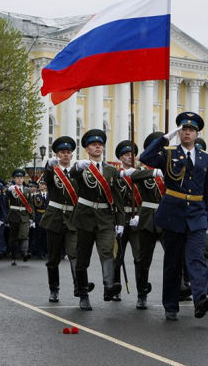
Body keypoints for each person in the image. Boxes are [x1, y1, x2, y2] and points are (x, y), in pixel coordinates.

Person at [139, 111, 208, 321]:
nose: (187, 133)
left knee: (196, 258)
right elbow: (145, 158)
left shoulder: (206, 159)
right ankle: (171, 306)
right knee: (172, 262)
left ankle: (200, 299)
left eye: (191, 130)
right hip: (173, 213)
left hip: (197, 215)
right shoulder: (168, 153)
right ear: (179, 132)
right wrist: (164, 138)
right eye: (184, 129)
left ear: (197, 134)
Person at [71, 129, 124, 311]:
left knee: (107, 251)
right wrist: (77, 167)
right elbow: (72, 174)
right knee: (83, 257)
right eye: (94, 145)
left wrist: (121, 222)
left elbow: (118, 198)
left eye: (100, 145)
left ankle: (108, 286)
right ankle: (83, 294)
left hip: (106, 219)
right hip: (85, 217)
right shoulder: (82, 168)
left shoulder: (111, 170)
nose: (97, 147)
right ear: (86, 148)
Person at [39, 136, 95, 303]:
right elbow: (47, 178)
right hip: (55, 217)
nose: (65, 155)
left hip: (73, 218)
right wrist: (48, 166)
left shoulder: (78, 171)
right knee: (53, 258)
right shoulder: (53, 170)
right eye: (62, 152)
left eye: (68, 152)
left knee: (75, 255)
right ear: (57, 154)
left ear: (72, 155)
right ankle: (54, 289)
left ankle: (80, 289)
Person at [123, 131, 166, 310]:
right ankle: (142, 294)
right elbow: (132, 176)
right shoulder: (142, 170)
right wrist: (153, 171)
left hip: (167, 217)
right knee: (142, 259)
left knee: (174, 256)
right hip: (147, 217)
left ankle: (178, 289)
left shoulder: (171, 168)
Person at [112, 139, 139, 302]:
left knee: (139, 257)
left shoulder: (140, 173)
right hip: (120, 219)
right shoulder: (116, 175)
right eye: (127, 155)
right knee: (118, 257)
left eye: (133, 154)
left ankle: (142, 291)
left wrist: (140, 215)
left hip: (136, 218)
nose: (131, 157)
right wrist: (116, 221)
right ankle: (116, 288)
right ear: (121, 158)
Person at [5, 169, 35, 266]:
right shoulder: (11, 189)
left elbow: (30, 204)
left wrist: (32, 218)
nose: (19, 179)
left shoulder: (27, 190)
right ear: (14, 179)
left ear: (23, 179)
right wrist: (8, 190)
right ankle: (13, 256)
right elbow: (5, 200)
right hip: (14, 215)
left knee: (24, 235)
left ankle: (24, 253)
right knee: (13, 237)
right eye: (17, 178)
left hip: (24, 216)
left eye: (21, 178)